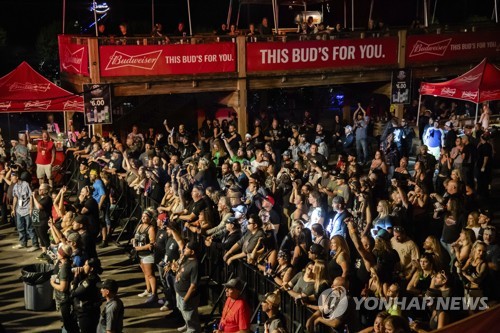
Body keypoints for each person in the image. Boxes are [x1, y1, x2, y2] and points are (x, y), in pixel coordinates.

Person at [174, 240, 201, 332]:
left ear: (192, 252)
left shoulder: (195, 265)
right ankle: (187, 325)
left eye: (186, 248)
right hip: (180, 293)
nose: (184, 250)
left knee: (190, 315)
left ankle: (193, 329)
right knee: (183, 312)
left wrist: (186, 298)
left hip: (187, 296)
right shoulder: (186, 259)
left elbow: (193, 285)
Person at [51, 244, 78, 333]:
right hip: (66, 299)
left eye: (59, 252)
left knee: (68, 324)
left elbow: (63, 288)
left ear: (62, 255)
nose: (57, 253)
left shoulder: (64, 268)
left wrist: (52, 283)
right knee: (69, 322)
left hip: (64, 300)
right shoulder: (66, 264)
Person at [71, 258, 103, 333]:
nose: (83, 266)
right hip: (91, 311)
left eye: (86, 265)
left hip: (86, 313)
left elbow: (74, 293)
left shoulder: (89, 281)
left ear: (91, 268)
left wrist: (75, 278)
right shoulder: (94, 277)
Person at [134, 209, 158, 303]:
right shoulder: (140, 226)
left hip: (147, 254)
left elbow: (151, 244)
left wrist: (140, 248)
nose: (143, 218)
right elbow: (137, 237)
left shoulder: (151, 228)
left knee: (150, 275)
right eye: (142, 216)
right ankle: (148, 290)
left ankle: (154, 294)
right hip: (140, 254)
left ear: (150, 218)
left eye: (145, 216)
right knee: (145, 273)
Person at [12, 171, 39, 252]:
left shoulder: (25, 184)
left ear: (17, 177)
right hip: (19, 210)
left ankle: (35, 244)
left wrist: (31, 208)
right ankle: (23, 243)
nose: (11, 179)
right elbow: (15, 197)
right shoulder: (15, 186)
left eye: (12, 177)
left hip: (27, 209)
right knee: (20, 227)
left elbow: (31, 197)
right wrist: (13, 209)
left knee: (30, 228)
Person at [31, 183, 52, 259]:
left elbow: (39, 207)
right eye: (39, 189)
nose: (39, 190)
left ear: (46, 191)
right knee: (41, 238)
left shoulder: (47, 198)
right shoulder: (40, 198)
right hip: (37, 221)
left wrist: (34, 197)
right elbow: (34, 206)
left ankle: (50, 254)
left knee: (45, 238)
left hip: (43, 222)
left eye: (41, 189)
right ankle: (44, 253)